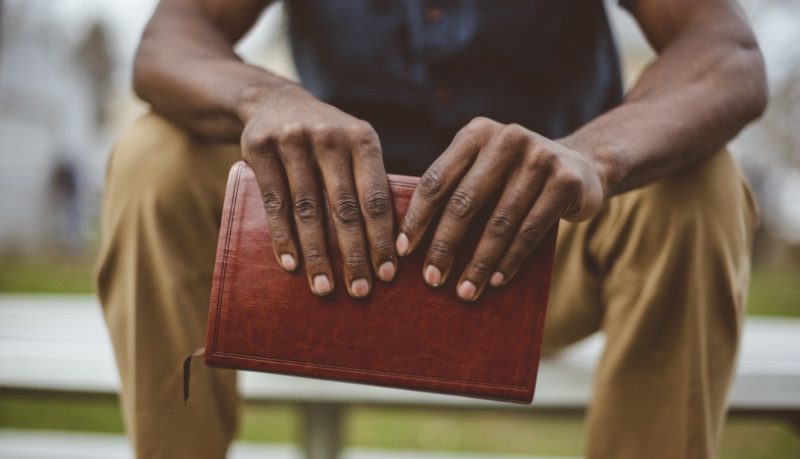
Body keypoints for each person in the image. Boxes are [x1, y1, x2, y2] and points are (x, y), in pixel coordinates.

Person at [95, 0, 766, 457]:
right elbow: (168, 39)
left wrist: (594, 153)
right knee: (154, 156)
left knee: (699, 187)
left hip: (540, 249)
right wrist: (264, 97)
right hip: (333, 253)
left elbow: (726, 48)